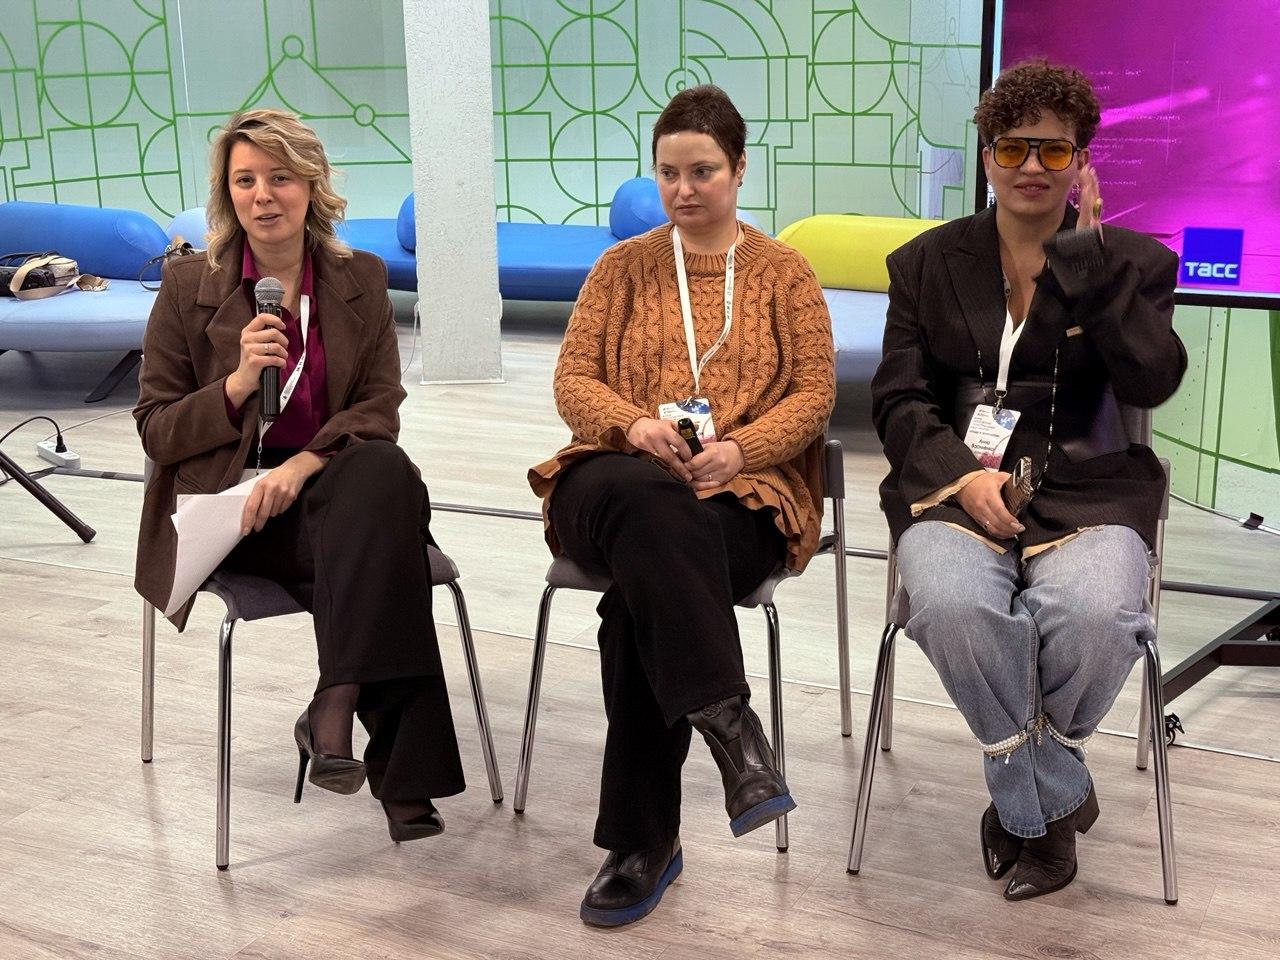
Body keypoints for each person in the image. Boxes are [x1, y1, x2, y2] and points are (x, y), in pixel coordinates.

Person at [871, 60, 1186, 900]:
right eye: (1013, 148)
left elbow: (1152, 381)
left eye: (1053, 150)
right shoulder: (925, 263)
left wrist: (1091, 270)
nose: (1032, 167)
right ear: (987, 156)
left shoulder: (1133, 262)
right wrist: (957, 479)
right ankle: (1052, 803)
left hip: (1091, 490)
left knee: (1096, 616)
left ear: (1081, 159)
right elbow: (898, 398)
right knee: (951, 606)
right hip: (956, 491)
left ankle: (1026, 802)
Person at [529, 84, 835, 927]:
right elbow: (572, 380)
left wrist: (743, 449)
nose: (683, 188)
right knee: (646, 502)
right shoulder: (621, 268)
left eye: (702, 171)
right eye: (668, 173)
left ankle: (643, 842)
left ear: (739, 170)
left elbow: (814, 395)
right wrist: (632, 426)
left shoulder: (784, 274)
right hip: (614, 478)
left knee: (642, 600)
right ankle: (732, 727)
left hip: (741, 493)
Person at [134, 108, 464, 842]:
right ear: (227, 193)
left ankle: (334, 704)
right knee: (387, 550)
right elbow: (156, 428)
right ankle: (394, 773)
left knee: (381, 471)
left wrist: (304, 463)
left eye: (280, 177)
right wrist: (236, 385)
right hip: (231, 512)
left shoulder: (359, 278)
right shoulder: (187, 285)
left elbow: (380, 404)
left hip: (331, 491)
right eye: (245, 180)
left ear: (312, 185)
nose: (263, 195)